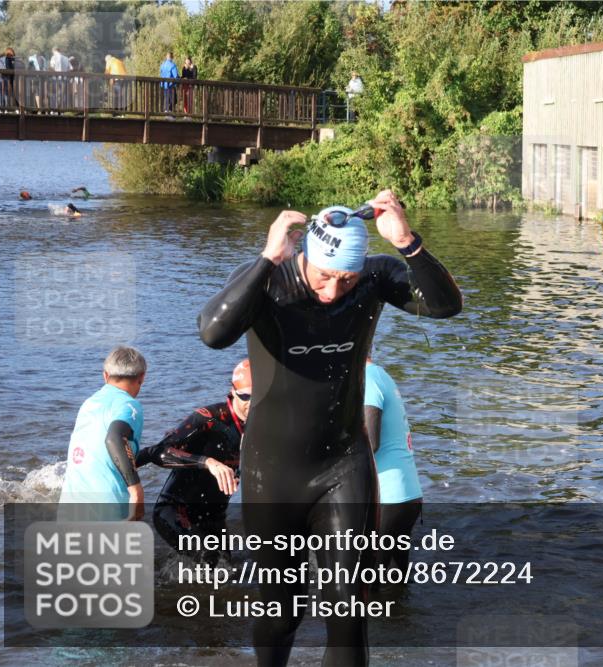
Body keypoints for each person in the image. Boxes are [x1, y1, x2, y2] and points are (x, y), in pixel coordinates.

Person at [198, 189, 462, 667]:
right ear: (302, 256)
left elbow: (445, 306)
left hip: (343, 464)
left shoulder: (374, 279)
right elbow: (213, 332)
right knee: (280, 609)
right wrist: (265, 258)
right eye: (324, 276)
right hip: (272, 474)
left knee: (349, 609)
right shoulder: (270, 281)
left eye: (346, 279)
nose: (333, 291)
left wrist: (407, 242)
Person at [136, 359, 248, 565]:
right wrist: (208, 462)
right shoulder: (209, 419)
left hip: (214, 517)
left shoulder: (262, 423)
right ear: (233, 392)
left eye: (257, 397)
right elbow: (159, 451)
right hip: (175, 510)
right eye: (245, 396)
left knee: (226, 572)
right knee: (209, 559)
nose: (251, 403)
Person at [58, 346, 147, 521]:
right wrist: (137, 492)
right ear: (142, 377)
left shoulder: (89, 403)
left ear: (105, 375)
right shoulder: (129, 405)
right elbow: (114, 438)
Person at [364, 356, 423, 573]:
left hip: (389, 498)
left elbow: (371, 442)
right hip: (407, 494)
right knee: (397, 581)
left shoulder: (368, 378)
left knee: (368, 581)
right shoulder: (381, 374)